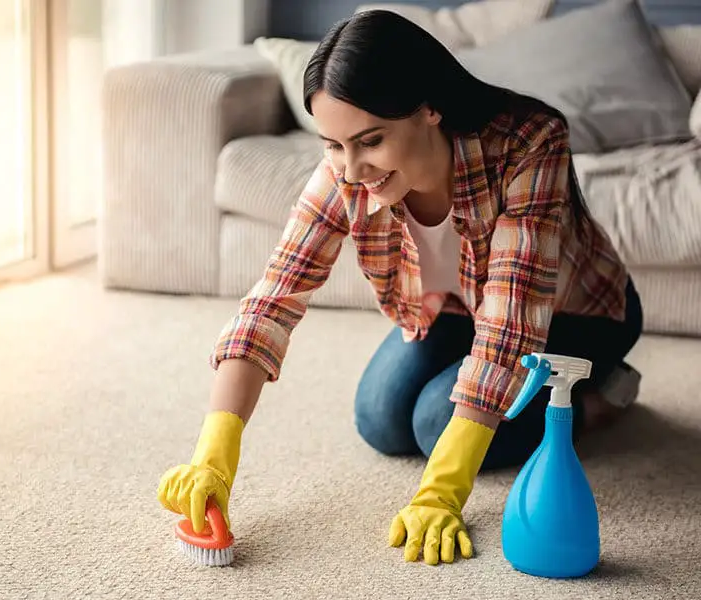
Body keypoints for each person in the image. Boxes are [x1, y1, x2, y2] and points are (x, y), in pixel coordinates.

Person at [157, 9, 643, 566]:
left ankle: (596, 397)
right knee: (381, 418)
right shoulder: (345, 171)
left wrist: (441, 493)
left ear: (429, 108)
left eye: (371, 141)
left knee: (437, 423)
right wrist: (213, 454)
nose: (352, 169)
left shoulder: (530, 143)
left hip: (576, 315)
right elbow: (274, 297)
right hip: (456, 310)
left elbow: (511, 326)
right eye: (334, 145)